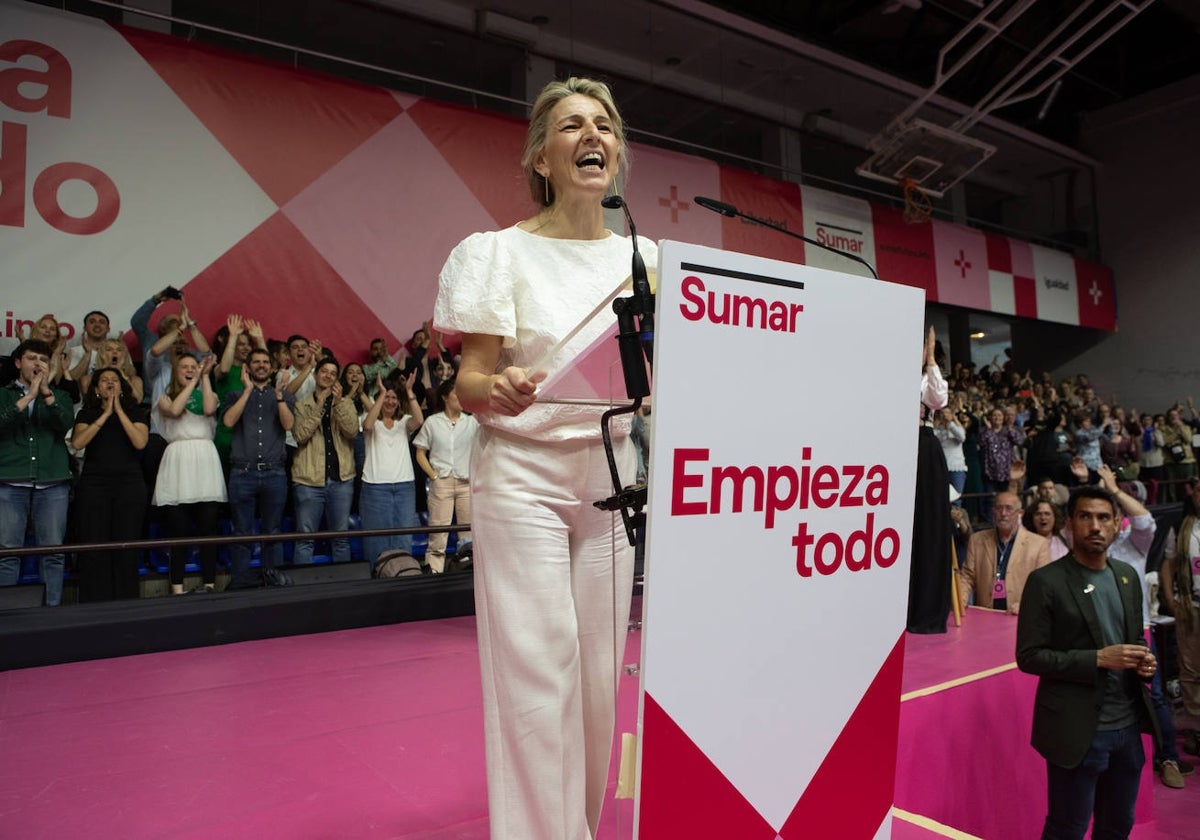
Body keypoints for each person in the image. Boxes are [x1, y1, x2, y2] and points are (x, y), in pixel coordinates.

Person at [433, 76, 657, 840]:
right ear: (542, 155)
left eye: (604, 125)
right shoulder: (496, 253)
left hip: (611, 478)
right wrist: (500, 386)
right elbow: (468, 381)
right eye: (571, 125)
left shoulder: (648, 260)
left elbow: (660, 370)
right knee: (537, 672)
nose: (591, 135)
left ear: (618, 154)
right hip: (521, 477)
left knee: (597, 681)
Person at [1016, 485, 1158, 839]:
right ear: (1070, 524)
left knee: (1118, 824)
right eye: (1085, 517)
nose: (1095, 526)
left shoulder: (1126, 576)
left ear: (1115, 526)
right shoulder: (1045, 582)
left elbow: (1133, 640)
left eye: (1103, 518)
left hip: (1127, 729)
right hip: (1077, 730)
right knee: (1068, 827)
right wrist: (1097, 659)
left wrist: (1143, 660)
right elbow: (1029, 657)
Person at [0, 340, 74, 606]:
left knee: (53, 552)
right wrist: (28, 397)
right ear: (18, 363)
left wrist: (45, 394)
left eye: (43, 359)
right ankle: (5, 615)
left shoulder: (59, 395)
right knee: (8, 552)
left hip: (52, 482)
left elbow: (66, 424)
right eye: (32, 358)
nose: (38, 363)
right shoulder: (3, 394)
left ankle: (51, 612)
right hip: (10, 480)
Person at [71, 367, 150, 601]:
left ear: (122, 386)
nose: (109, 383)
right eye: (104, 380)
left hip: (129, 484)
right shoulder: (86, 414)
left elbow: (140, 442)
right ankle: (94, 603)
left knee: (126, 545)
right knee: (95, 546)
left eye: (114, 380)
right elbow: (78, 443)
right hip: (94, 485)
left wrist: (119, 411)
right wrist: (105, 414)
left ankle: (126, 602)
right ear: (96, 389)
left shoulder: (136, 412)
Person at [221, 349, 296, 589]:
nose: (261, 366)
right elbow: (228, 421)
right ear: (248, 367)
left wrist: (280, 397)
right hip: (242, 473)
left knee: (272, 531)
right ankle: (241, 583)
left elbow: (289, 424)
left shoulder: (284, 395)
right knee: (242, 532)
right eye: (256, 362)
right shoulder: (235, 394)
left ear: (271, 368)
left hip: (275, 472)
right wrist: (247, 391)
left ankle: (272, 581)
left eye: (266, 362)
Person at [153, 353, 226, 594]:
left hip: (205, 459)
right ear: (176, 371)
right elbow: (174, 410)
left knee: (208, 527)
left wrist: (204, 378)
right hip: (178, 461)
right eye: (184, 366)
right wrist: (194, 380)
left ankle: (209, 583)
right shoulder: (164, 397)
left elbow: (208, 409)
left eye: (193, 366)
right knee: (179, 530)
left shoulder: (210, 393)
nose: (189, 369)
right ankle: (177, 586)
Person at [291, 357, 358, 565]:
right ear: (315, 374)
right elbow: (300, 436)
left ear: (337, 379)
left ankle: (345, 592)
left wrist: (337, 405)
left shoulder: (345, 402)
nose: (328, 375)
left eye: (333, 373)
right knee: (304, 540)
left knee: (341, 539)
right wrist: (319, 407)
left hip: (341, 481)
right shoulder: (302, 405)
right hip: (309, 482)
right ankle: (301, 593)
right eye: (324, 371)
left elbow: (352, 431)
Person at [907, 327, 950, 634]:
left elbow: (939, 399)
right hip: (892, 449)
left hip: (922, 450)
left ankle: (925, 609)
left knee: (926, 526)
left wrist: (930, 360)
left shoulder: (928, 378)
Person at [413, 377, 478, 573]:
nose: (460, 398)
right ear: (445, 397)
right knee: (438, 535)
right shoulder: (433, 422)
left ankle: (467, 573)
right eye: (456, 393)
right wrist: (433, 476)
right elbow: (420, 452)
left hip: (466, 483)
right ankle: (434, 575)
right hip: (441, 482)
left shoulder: (472, 421)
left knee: (468, 535)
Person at [359, 371, 423, 566]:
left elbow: (419, 421)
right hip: (375, 487)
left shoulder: (403, 423)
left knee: (403, 537)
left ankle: (402, 574)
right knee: (376, 540)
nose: (390, 401)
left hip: (404, 487)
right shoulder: (371, 419)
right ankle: (378, 577)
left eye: (394, 397)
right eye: (387, 397)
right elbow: (368, 425)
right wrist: (381, 393)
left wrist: (409, 391)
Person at [959, 491, 1051, 614]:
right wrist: (961, 598)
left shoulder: (1038, 544)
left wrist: (1026, 605)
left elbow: (1044, 585)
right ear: (992, 511)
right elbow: (967, 576)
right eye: (998, 508)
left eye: (1009, 509)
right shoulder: (977, 540)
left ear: (1020, 513)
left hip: (1020, 615)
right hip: (986, 615)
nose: (1003, 513)